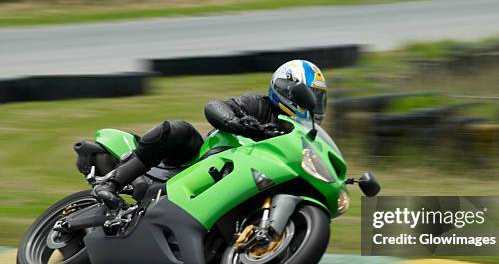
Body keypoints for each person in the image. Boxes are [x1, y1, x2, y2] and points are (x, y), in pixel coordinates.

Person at [93, 60, 328, 207]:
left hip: (252, 181)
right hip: (204, 160)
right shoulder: (258, 104)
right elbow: (215, 106)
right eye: (310, 96)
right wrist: (238, 124)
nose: (313, 105)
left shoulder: (301, 134)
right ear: (288, 89)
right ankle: (112, 183)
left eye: (318, 99)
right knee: (178, 130)